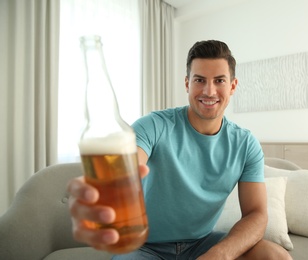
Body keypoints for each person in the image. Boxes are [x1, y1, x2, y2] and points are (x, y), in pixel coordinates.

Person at [67, 40, 292, 260]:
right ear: (187, 84)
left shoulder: (245, 144)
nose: (209, 90)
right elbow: (128, 165)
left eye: (219, 80)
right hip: (144, 246)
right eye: (199, 80)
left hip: (202, 244)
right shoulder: (153, 125)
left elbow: (256, 214)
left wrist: (219, 254)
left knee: (275, 256)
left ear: (232, 86)